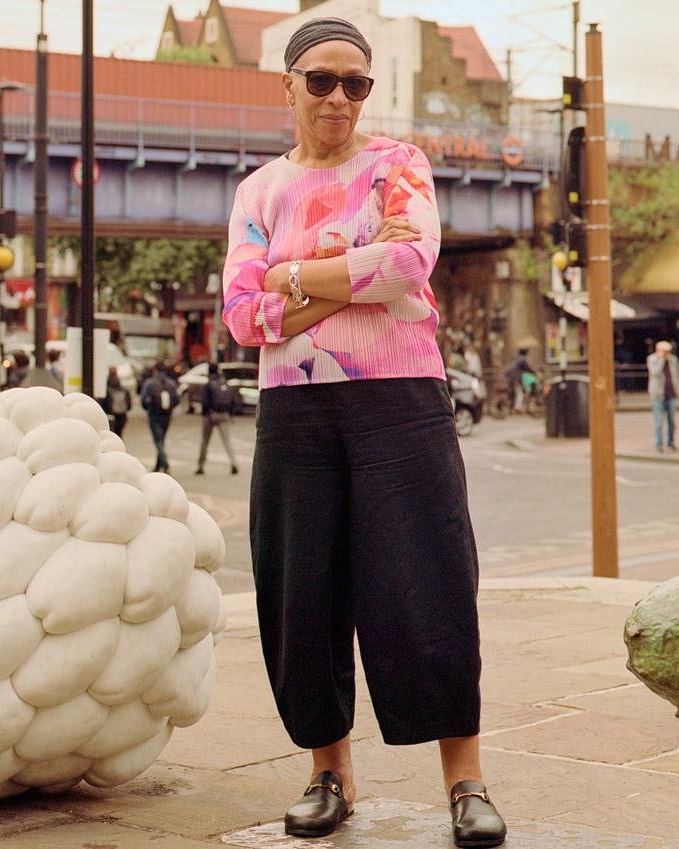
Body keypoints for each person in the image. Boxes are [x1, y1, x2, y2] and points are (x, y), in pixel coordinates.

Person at [221, 18, 505, 849]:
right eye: (322, 80)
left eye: (357, 83)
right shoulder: (257, 190)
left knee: (429, 580)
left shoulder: (396, 165)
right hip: (295, 410)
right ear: (289, 86)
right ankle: (329, 774)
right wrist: (354, 276)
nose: (339, 97)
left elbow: (411, 262)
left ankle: (467, 782)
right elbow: (244, 318)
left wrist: (292, 275)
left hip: (402, 396)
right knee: (301, 589)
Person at [196, 362, 239, 475]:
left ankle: (201, 465)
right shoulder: (224, 383)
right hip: (224, 415)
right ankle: (234, 463)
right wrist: (231, 413)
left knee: (205, 441)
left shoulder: (208, 384)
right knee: (227, 441)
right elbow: (232, 400)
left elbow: (204, 402)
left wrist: (206, 414)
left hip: (210, 415)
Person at [140, 361, 179, 473]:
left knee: (158, 440)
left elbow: (143, 400)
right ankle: (158, 466)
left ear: (155, 370)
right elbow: (176, 399)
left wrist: (148, 408)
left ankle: (165, 463)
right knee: (162, 439)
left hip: (154, 415)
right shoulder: (171, 383)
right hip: (167, 415)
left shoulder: (149, 383)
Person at [647, 340, 679, 452]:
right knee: (658, 422)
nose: (667, 354)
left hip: (670, 394)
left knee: (672, 421)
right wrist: (661, 360)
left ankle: (671, 442)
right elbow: (655, 373)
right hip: (658, 395)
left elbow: (675, 376)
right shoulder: (652, 359)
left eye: (668, 351)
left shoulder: (673, 360)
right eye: (665, 351)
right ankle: (659, 444)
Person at [102, 366, 132, 438]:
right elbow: (129, 405)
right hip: (122, 416)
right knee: (119, 434)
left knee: (111, 436)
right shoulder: (123, 389)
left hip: (109, 415)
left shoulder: (105, 390)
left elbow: (103, 403)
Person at [504, 347, 533, 412]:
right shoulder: (522, 359)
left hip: (510, 376)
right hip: (515, 377)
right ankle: (517, 408)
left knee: (513, 392)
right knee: (520, 392)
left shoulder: (516, 357)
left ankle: (512, 406)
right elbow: (527, 368)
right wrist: (534, 372)